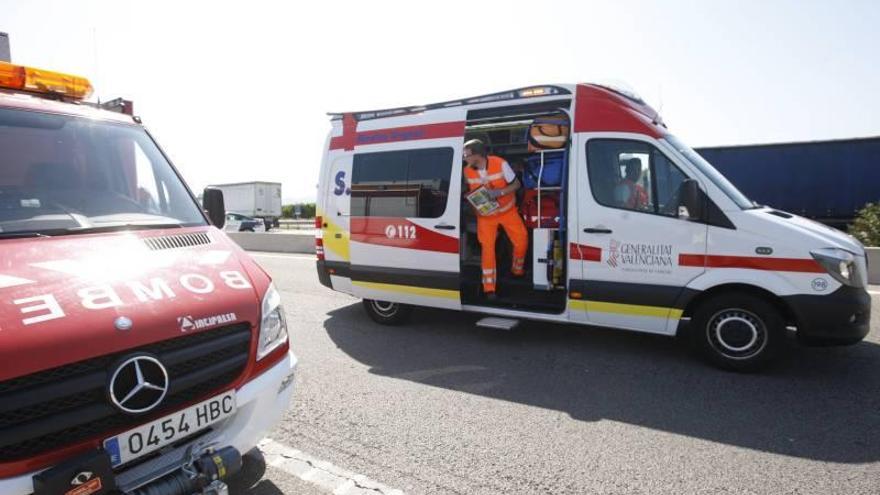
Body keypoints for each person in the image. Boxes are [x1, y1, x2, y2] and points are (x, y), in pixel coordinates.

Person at [462, 139, 528, 299]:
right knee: (487, 249)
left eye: (467, 155)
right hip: (485, 217)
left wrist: (499, 193)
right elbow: (468, 191)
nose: (465, 158)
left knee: (522, 241)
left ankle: (516, 270)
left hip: (508, 211)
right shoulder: (467, 171)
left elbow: (517, 185)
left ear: (478, 154)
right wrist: (472, 203)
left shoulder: (500, 164)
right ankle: (489, 288)